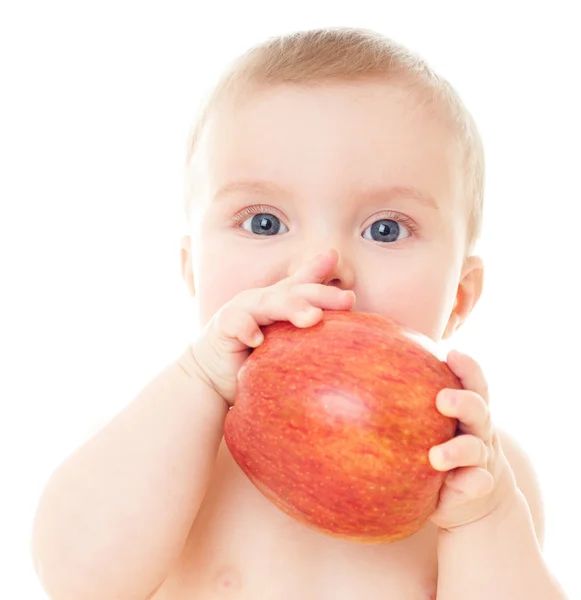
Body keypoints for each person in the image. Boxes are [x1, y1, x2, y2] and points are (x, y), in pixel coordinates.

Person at [31, 27, 567, 599]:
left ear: (459, 295)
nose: (322, 266)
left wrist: (481, 520)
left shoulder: (475, 472)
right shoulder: (158, 442)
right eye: (264, 223)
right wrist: (195, 379)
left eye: (385, 229)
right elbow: (74, 580)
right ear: (192, 272)